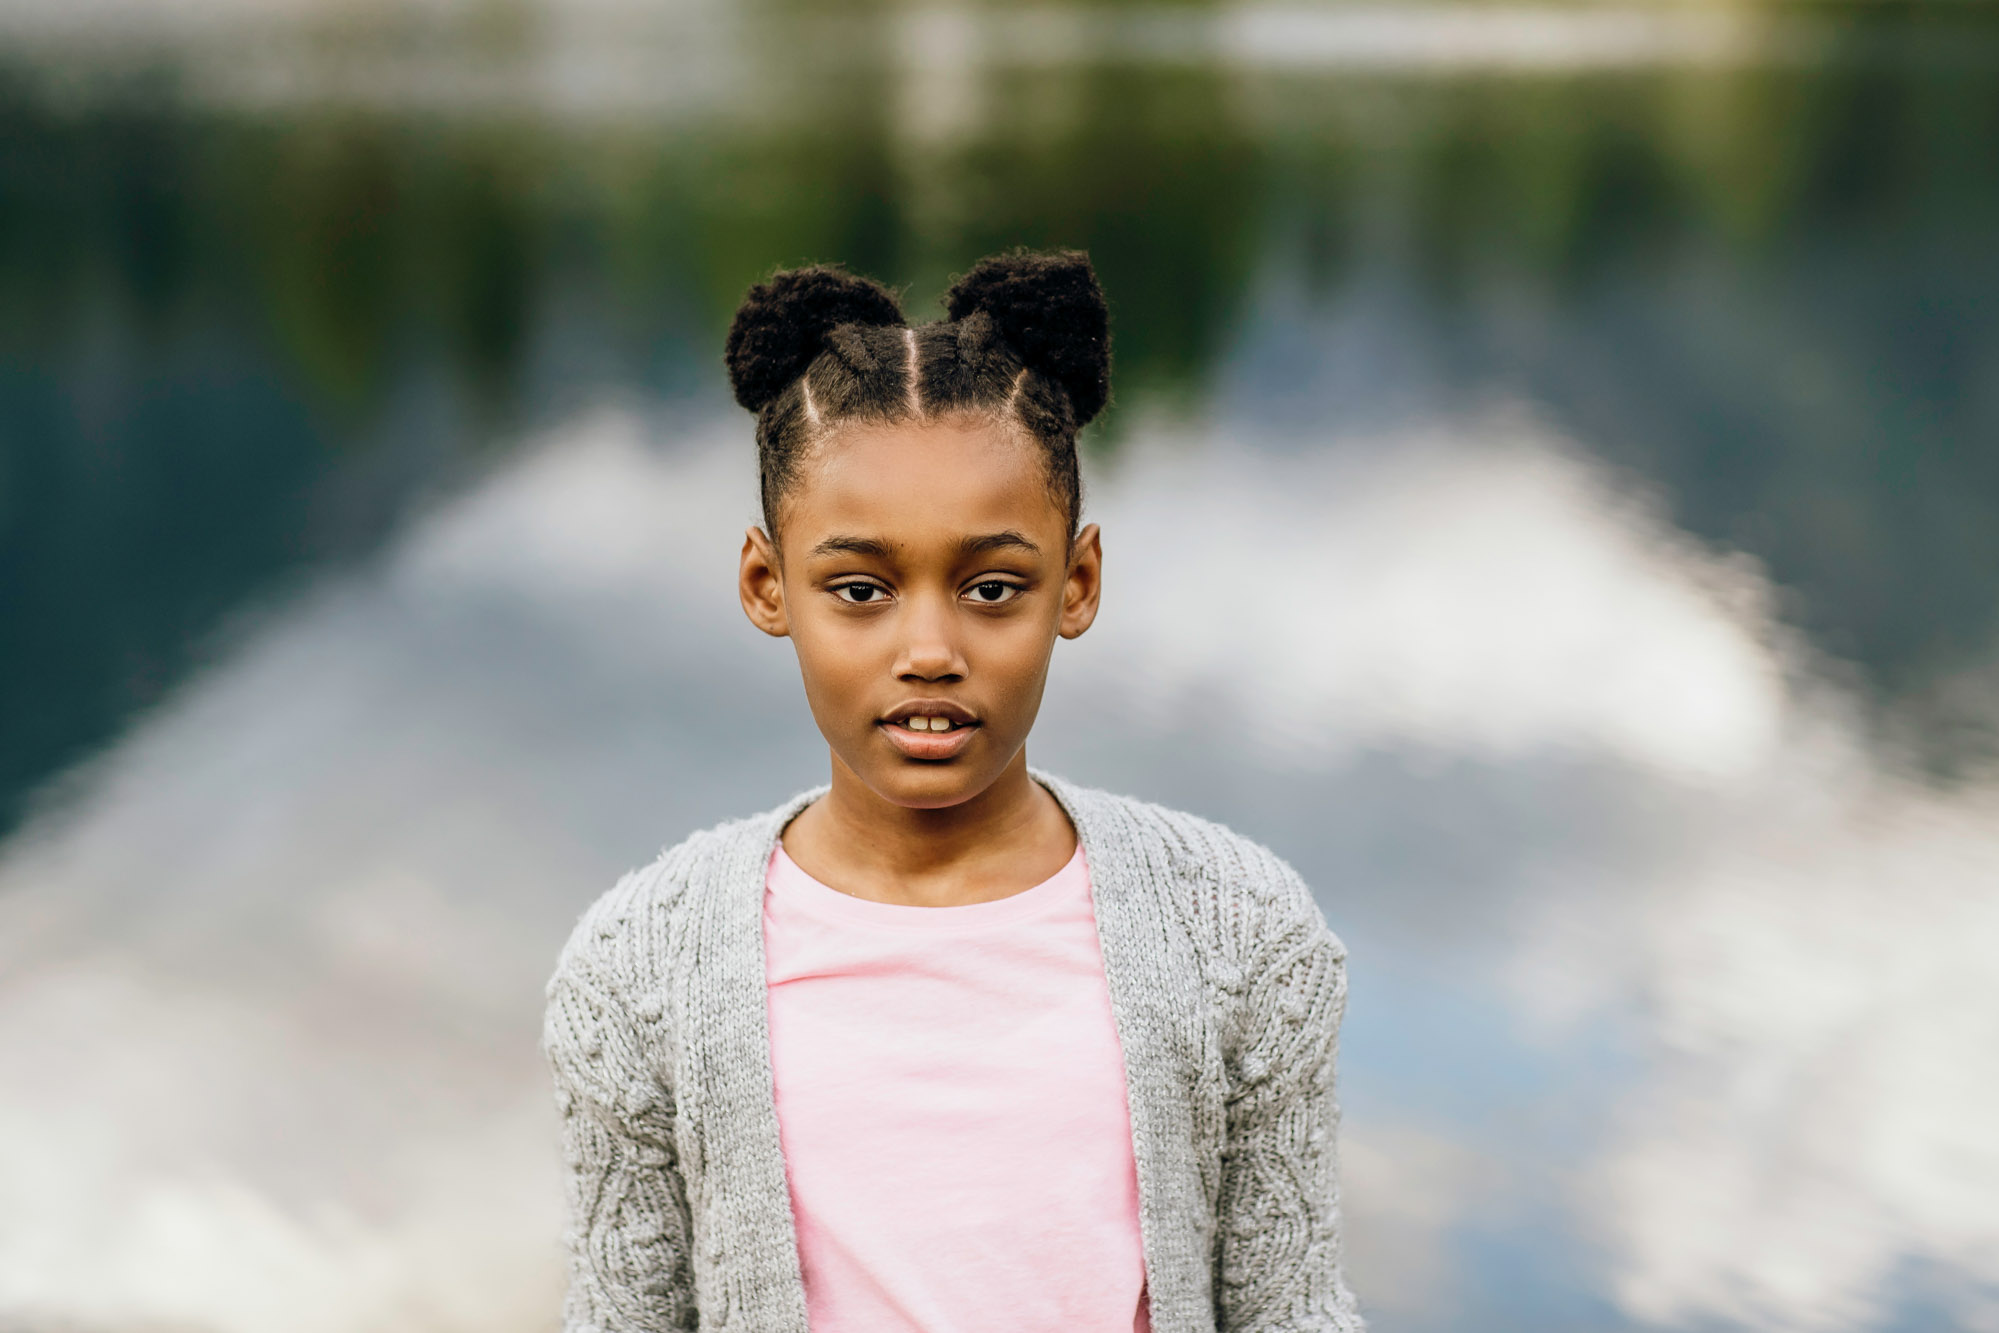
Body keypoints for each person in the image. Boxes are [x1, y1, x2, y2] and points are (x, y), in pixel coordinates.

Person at [542, 249, 1364, 1333]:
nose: (928, 649)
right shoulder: (638, 967)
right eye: (860, 589)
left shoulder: (1242, 932)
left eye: (990, 587)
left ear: (1075, 584)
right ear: (765, 583)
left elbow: (1289, 1312)